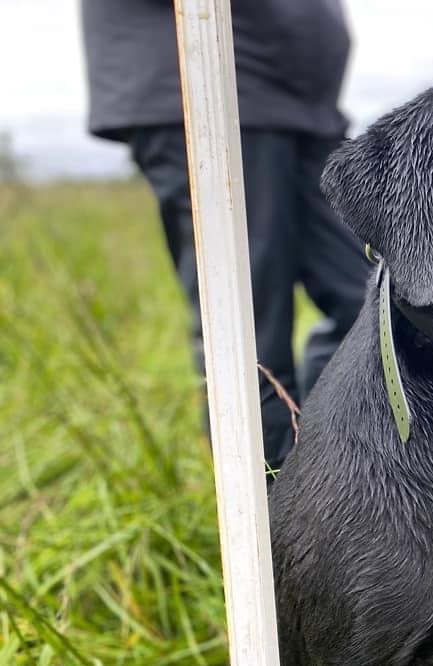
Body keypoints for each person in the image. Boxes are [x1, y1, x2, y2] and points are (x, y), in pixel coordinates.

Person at [81, 0, 370, 474]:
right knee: (248, 339)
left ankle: (341, 472)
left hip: (302, 107)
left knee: (379, 298)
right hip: (206, 88)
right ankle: (273, 525)